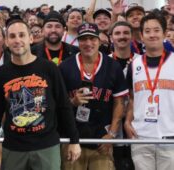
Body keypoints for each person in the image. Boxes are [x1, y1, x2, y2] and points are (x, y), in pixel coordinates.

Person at [0, 19, 81, 170]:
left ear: (30, 38)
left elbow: (64, 106)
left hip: (46, 147)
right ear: (6, 42)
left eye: (22, 35)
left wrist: (74, 140)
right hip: (13, 148)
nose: (17, 40)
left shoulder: (49, 68)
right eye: (12, 36)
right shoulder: (1, 73)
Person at [59, 23, 128, 170]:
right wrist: (72, 102)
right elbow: (58, 104)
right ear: (78, 41)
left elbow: (119, 102)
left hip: (101, 140)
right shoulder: (65, 66)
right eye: (83, 39)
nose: (88, 43)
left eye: (92, 38)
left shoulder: (112, 66)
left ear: (99, 40)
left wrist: (112, 134)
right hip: (72, 139)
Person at [124, 10, 174, 170]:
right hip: (141, 137)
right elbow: (132, 98)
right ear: (141, 35)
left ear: (165, 33)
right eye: (147, 31)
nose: (152, 35)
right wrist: (127, 121)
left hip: (170, 137)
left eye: (156, 30)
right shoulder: (133, 65)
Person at [109, 21, 139, 170]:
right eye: (117, 33)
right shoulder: (104, 62)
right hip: (112, 123)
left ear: (132, 36)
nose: (122, 36)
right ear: (111, 38)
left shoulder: (142, 61)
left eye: (126, 33)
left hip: (138, 123)